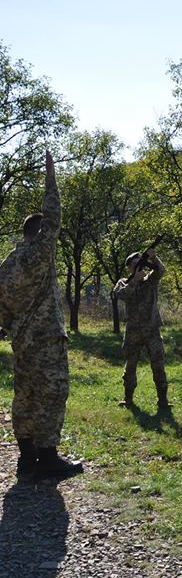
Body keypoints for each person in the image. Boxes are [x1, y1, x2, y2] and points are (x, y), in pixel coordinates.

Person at [0, 152, 82, 481]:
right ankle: (47, 458)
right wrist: (51, 178)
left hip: (21, 344)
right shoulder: (38, 255)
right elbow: (53, 218)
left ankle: (26, 458)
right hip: (46, 340)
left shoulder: (7, 265)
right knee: (53, 392)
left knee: (25, 395)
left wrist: (12, 328)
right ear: (38, 235)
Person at [114, 247, 170, 407]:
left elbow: (161, 271)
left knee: (158, 364)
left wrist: (154, 258)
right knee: (130, 366)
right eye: (136, 264)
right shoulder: (123, 282)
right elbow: (120, 294)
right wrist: (134, 280)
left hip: (152, 329)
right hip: (133, 332)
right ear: (130, 268)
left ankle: (163, 400)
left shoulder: (150, 281)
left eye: (141, 263)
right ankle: (128, 399)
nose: (141, 267)